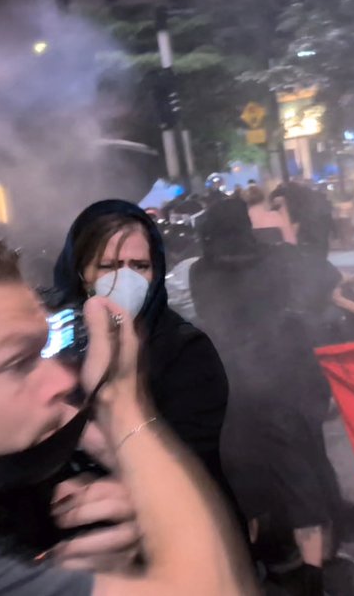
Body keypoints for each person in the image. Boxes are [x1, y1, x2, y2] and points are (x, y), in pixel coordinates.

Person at [0, 231, 254, 594]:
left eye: (43, 350)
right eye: (16, 362)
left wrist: (49, 572)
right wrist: (122, 404)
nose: (62, 380)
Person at [191, 199, 340, 593]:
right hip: (283, 378)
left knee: (246, 476)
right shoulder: (277, 261)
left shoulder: (199, 272)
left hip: (232, 384)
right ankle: (315, 570)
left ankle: (249, 565)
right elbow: (324, 278)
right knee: (299, 472)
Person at [51, 200, 234, 506]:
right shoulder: (55, 341)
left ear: (156, 269)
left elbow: (186, 466)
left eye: (140, 266)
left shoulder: (186, 349)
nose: (125, 279)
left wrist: (79, 429)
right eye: (107, 266)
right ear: (81, 273)